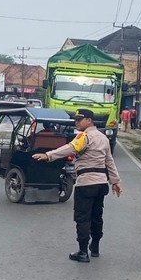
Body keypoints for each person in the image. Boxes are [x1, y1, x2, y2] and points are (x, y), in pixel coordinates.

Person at [33, 107, 122, 261]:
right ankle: (95, 247)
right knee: (96, 216)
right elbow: (109, 161)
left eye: (79, 120)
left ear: (89, 121)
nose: (77, 122)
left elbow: (70, 148)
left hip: (86, 183)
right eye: (75, 120)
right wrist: (115, 181)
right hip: (101, 184)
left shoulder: (84, 136)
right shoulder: (103, 138)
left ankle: (82, 252)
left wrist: (48, 155)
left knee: (82, 217)